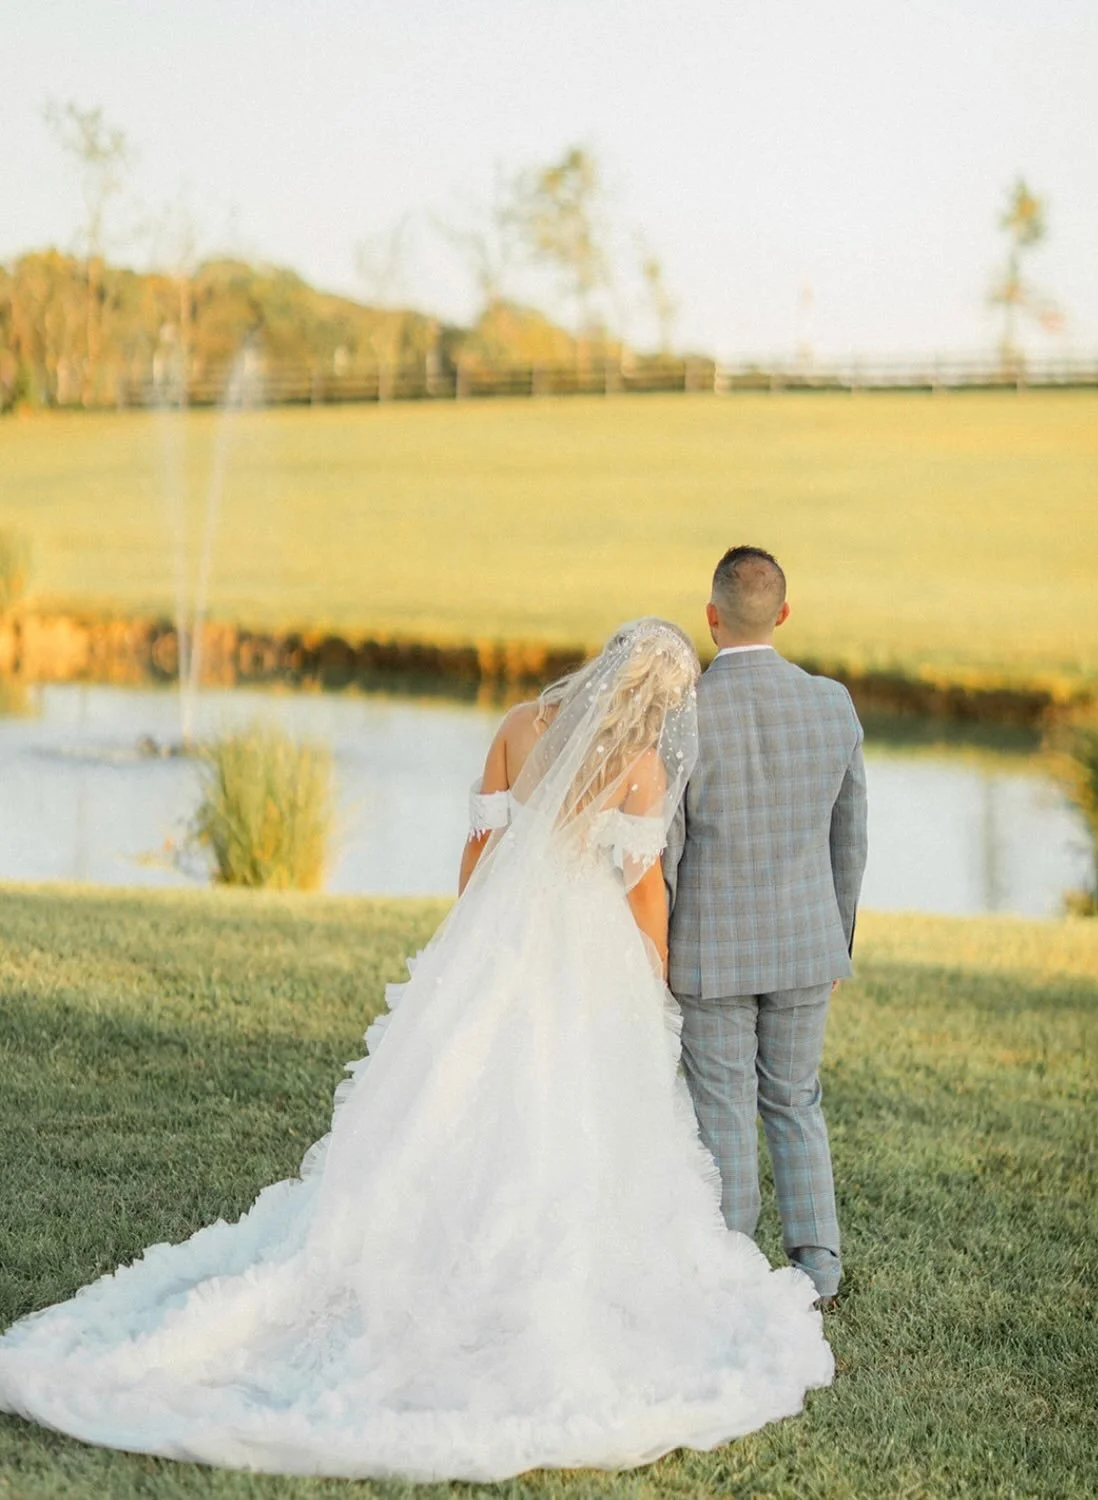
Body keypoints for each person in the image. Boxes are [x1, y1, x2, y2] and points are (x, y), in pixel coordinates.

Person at [0, 617, 833, 1482]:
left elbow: (479, 846)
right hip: (583, 943)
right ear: (665, 701)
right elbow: (645, 890)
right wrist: (653, 975)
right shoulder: (643, 767)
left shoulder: (519, 724)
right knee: (566, 1100)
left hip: (500, 932)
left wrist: (469, 935)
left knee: (458, 1083)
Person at [665, 548, 868, 1306]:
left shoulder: (683, 713)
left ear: (711, 616)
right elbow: (849, 838)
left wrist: (659, 946)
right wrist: (835, 937)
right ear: (782, 614)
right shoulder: (832, 704)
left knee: (721, 1109)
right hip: (806, 943)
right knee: (794, 1099)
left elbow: (669, 850)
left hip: (708, 953)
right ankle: (817, 1266)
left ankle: (728, 1263)